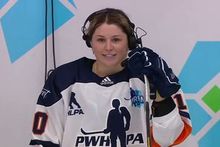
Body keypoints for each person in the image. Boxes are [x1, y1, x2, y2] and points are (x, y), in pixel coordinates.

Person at [29, 8, 192, 147]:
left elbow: (168, 139)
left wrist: (162, 99)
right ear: (90, 42)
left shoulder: (149, 76)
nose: (108, 47)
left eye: (116, 39)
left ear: (130, 41)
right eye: (100, 40)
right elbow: (44, 141)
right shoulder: (64, 79)